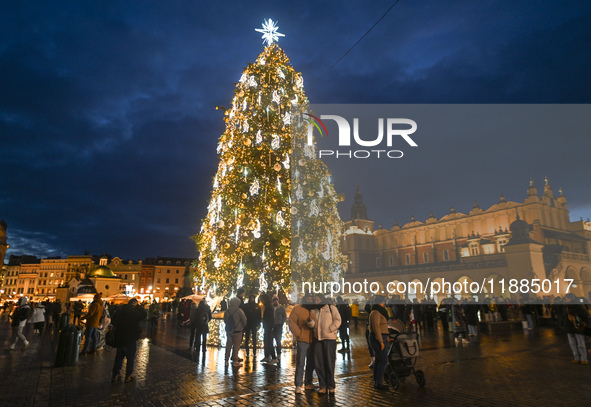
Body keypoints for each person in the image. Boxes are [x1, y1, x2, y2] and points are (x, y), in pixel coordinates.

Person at [308, 293, 341, 395]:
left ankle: (331, 385)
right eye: (315, 300)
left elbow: (338, 320)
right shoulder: (314, 310)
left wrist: (330, 329)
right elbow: (312, 325)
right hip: (318, 338)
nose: (317, 301)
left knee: (329, 362)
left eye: (318, 299)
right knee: (319, 363)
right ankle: (322, 385)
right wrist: (310, 320)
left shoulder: (331, 308)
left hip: (329, 338)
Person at [111, 298, 147, 382]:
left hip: (120, 338)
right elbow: (144, 315)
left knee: (119, 358)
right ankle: (128, 376)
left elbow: (113, 321)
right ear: (134, 304)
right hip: (130, 339)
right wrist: (138, 306)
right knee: (130, 358)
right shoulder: (134, 313)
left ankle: (115, 375)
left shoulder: (120, 311)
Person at [289, 293, 316, 394]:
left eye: (311, 299)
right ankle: (298, 384)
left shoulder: (314, 309)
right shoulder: (297, 309)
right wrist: (298, 334)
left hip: (313, 339)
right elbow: (292, 322)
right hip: (302, 339)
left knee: (311, 363)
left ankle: (308, 382)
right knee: (300, 362)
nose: (309, 301)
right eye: (307, 299)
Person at [369, 295, 390, 391]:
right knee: (383, 360)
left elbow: (383, 326)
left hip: (383, 336)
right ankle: (379, 383)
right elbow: (376, 327)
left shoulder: (381, 311)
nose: (384, 304)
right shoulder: (375, 312)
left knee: (378, 360)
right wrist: (381, 341)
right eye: (382, 302)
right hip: (377, 338)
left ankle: (377, 381)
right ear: (378, 302)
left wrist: (387, 337)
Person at [564, 294, 589, 364]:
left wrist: (586, 324)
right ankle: (576, 357)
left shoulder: (578, 305)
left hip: (577, 326)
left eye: (567, 298)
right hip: (569, 327)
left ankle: (584, 358)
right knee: (572, 344)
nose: (566, 299)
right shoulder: (566, 306)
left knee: (580, 344)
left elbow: (584, 315)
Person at [224, 297, 247, 367]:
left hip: (229, 330)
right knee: (236, 347)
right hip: (237, 331)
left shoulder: (227, 311)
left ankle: (226, 360)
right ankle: (235, 361)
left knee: (228, 345)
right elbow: (244, 320)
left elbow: (225, 320)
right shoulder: (239, 311)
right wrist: (241, 327)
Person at [267, 295, 287, 365]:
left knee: (278, 340)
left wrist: (281, 323)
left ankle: (278, 354)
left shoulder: (281, 308)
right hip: (272, 326)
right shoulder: (271, 308)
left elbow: (284, 316)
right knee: (271, 340)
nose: (275, 301)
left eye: (276, 300)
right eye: (274, 300)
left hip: (278, 326)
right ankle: (272, 355)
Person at [243, 294, 261, 359]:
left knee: (254, 338)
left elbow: (259, 315)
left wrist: (259, 323)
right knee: (247, 338)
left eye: (253, 298)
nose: (252, 299)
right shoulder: (246, 306)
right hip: (248, 324)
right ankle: (247, 351)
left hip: (254, 324)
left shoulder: (257, 306)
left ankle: (254, 351)